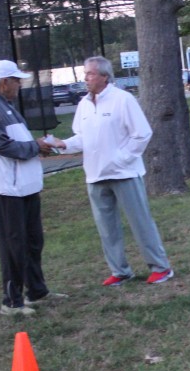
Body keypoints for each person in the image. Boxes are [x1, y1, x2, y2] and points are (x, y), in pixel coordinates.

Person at [48, 56, 174, 286]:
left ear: (105, 77)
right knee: (107, 228)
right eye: (85, 74)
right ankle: (120, 271)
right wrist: (63, 144)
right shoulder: (84, 104)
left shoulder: (123, 99)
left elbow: (142, 134)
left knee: (140, 222)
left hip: (124, 174)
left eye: (90, 74)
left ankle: (161, 268)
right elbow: (82, 137)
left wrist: (121, 159)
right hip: (95, 175)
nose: (86, 78)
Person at [0, 60, 65, 317]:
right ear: (4, 82)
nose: (19, 85)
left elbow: (19, 141)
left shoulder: (7, 106)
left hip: (26, 186)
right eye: (16, 80)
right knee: (13, 245)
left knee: (33, 241)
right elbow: (1, 145)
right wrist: (35, 147)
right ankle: (11, 300)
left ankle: (36, 291)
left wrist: (38, 146)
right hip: (9, 189)